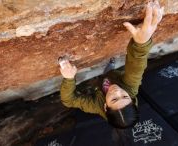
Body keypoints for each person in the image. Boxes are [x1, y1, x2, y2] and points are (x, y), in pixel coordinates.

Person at [59, 0, 163, 129]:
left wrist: (69, 79)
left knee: (105, 75)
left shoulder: (95, 106)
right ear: (131, 99)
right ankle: (111, 65)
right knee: (110, 71)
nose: (117, 91)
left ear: (105, 107)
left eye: (114, 99)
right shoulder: (131, 88)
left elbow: (69, 101)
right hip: (114, 75)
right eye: (124, 96)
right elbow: (137, 67)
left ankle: (105, 73)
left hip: (101, 84)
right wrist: (141, 43)